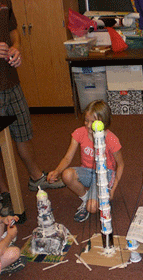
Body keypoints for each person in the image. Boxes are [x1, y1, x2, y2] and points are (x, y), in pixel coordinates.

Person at [0, 0, 65, 216]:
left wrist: (16, 46)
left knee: (23, 131)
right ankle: (3, 193)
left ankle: (36, 177)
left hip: (10, 80)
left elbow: (12, 30)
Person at [47, 100, 124, 222]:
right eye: (86, 120)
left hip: (105, 173)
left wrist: (113, 189)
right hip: (88, 171)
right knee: (66, 175)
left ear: (103, 122)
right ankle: (87, 198)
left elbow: (120, 165)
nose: (88, 125)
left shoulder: (111, 139)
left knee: (92, 208)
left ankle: (92, 201)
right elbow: (67, 158)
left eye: (93, 122)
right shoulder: (79, 133)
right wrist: (57, 171)